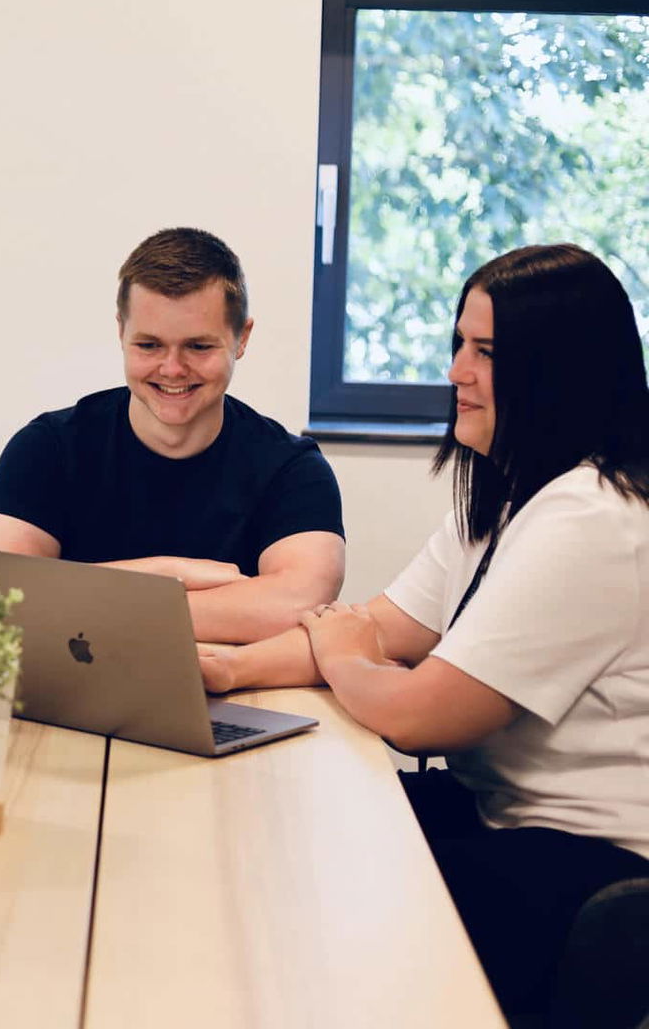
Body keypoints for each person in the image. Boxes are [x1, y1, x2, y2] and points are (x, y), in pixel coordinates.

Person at [199, 243, 649, 1022]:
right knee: (294, 823)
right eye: (458, 345)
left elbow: (420, 716)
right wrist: (228, 670)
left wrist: (346, 660)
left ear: (558, 372)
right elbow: (370, 625)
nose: (456, 373)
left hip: (598, 867)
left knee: (316, 891)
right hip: (501, 814)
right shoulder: (510, 501)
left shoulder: (593, 519)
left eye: (486, 353)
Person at [0, 227, 345, 642]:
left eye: (199, 347)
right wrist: (171, 572)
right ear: (121, 332)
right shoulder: (47, 448)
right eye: (149, 346)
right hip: (71, 697)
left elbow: (301, 602)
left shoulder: (293, 469)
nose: (172, 369)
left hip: (238, 695)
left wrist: (72, 600)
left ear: (241, 338)